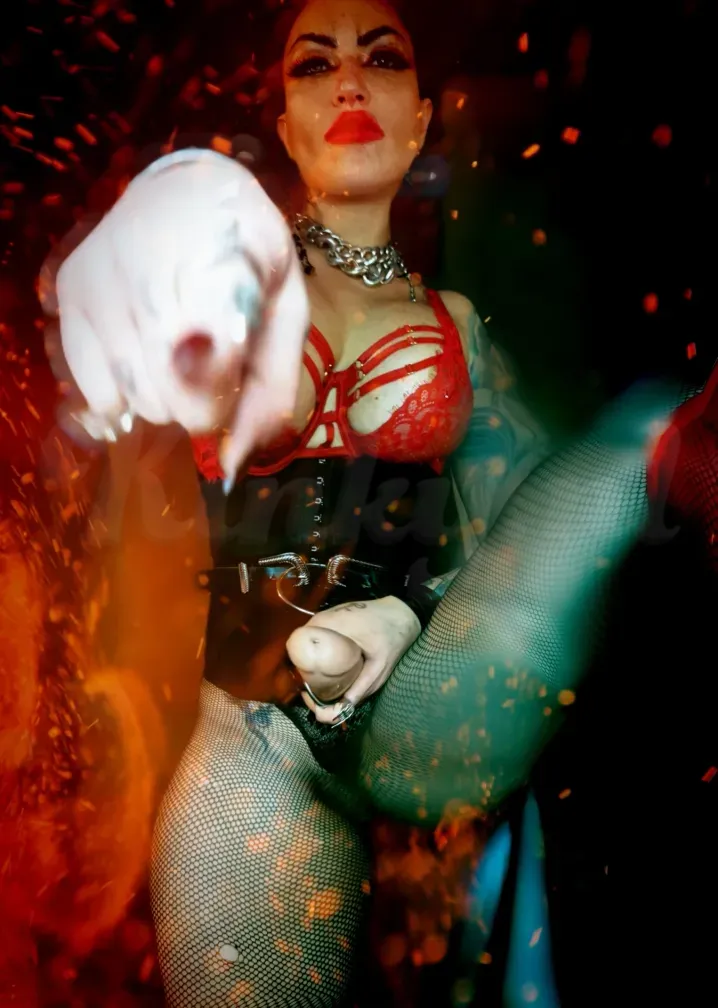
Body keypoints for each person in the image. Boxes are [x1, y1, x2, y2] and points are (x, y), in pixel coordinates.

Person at [48, 1, 548, 1003]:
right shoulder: (225, 275)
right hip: (258, 748)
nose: (350, 81)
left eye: (382, 58)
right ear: (284, 126)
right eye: (315, 65)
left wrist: (411, 613)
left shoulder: (453, 322)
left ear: (421, 117)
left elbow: (520, 531)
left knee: (624, 468)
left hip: (431, 726)